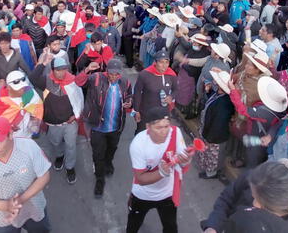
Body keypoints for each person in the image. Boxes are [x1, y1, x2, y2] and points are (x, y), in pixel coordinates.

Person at [0, 117, 51, 233]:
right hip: (3, 218)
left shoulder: (29, 147)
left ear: (10, 135)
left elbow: (44, 175)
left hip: (34, 207)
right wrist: (6, 205)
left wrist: (21, 199)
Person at [127, 106, 195, 233]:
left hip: (167, 194)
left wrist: (186, 159)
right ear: (148, 127)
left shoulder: (175, 132)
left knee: (171, 228)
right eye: (159, 127)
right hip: (143, 194)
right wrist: (161, 173)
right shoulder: (138, 144)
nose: (164, 131)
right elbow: (140, 178)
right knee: (133, 226)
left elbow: (181, 161)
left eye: (166, 126)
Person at [75, 58, 133, 197]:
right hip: (98, 126)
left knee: (112, 148)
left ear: (120, 73)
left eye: (116, 74)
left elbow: (130, 95)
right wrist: (87, 69)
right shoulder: (96, 78)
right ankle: (99, 180)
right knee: (97, 154)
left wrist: (129, 102)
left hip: (116, 126)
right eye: (111, 73)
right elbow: (78, 82)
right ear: (106, 72)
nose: (113, 77)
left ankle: (108, 162)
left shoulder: (126, 82)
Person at [220, 160, 288, 233]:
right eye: (254, 196)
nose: (254, 204)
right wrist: (213, 226)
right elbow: (227, 198)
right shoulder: (256, 180)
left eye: (265, 207)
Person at [29, 55, 84, 185]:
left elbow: (79, 100)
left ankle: (70, 167)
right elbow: (32, 78)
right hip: (53, 123)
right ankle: (60, 156)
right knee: (55, 142)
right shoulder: (46, 81)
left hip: (70, 122)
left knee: (71, 146)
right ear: (52, 70)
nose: (61, 73)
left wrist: (75, 116)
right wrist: (42, 63)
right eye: (58, 70)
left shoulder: (72, 81)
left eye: (64, 69)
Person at [197, 70, 235, 179]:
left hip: (214, 136)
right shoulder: (219, 94)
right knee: (208, 154)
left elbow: (218, 124)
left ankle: (211, 173)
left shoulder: (224, 104)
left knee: (213, 156)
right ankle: (208, 169)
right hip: (208, 130)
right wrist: (208, 92)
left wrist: (210, 138)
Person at [0, 70, 44, 138]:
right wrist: (9, 127)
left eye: (23, 87)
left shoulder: (30, 93)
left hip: (27, 135)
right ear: (8, 87)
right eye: (19, 88)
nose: (22, 90)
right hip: (9, 138)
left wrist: (34, 123)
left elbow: (38, 107)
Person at [133, 50, 178, 133]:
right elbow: (137, 92)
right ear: (155, 62)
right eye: (161, 62)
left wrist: (171, 96)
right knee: (142, 135)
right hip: (146, 113)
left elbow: (176, 89)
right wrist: (136, 111)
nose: (164, 66)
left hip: (163, 114)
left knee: (160, 137)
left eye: (166, 62)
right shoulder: (144, 74)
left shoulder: (172, 75)